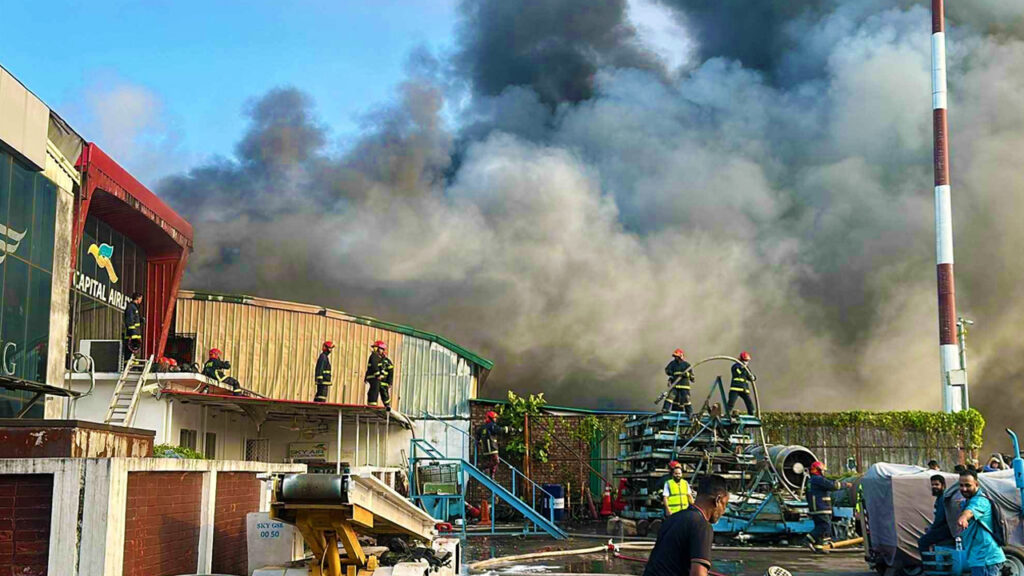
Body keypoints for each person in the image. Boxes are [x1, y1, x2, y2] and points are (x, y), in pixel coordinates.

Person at [643, 475, 730, 576]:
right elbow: (698, 574)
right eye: (725, 504)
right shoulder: (702, 526)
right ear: (718, 500)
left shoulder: (672, 519)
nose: (723, 511)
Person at [956, 469, 1005, 576]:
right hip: (979, 557)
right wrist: (963, 504)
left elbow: (970, 511)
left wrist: (963, 518)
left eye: (968, 485)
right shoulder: (970, 499)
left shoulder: (980, 501)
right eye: (961, 485)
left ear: (976, 484)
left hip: (985, 559)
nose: (964, 489)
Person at [806, 461, 851, 546]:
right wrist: (846, 485)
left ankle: (820, 546)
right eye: (823, 470)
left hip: (816, 507)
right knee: (824, 526)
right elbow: (833, 485)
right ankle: (808, 539)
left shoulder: (811, 480)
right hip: (821, 507)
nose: (824, 472)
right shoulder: (818, 479)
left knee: (823, 528)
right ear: (819, 470)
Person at [918, 474, 954, 554]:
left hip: (946, 529)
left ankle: (928, 565)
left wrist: (932, 528)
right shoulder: (940, 497)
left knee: (922, 542)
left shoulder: (943, 498)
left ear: (943, 485)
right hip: (945, 528)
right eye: (932, 485)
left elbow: (940, 518)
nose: (934, 487)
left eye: (937, 484)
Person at [475, 411, 509, 477]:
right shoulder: (492, 425)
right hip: (492, 447)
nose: (495, 419)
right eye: (494, 418)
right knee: (496, 461)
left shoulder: (483, 427)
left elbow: (478, 435)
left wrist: (478, 441)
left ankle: (492, 476)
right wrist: (508, 429)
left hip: (485, 449)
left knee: (492, 462)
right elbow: (499, 430)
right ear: (490, 418)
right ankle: (482, 468)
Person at [663, 349, 696, 416]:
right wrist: (671, 374)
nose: (675, 358)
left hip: (684, 386)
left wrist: (687, 374)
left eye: (677, 356)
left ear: (681, 356)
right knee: (670, 397)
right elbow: (667, 370)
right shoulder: (672, 364)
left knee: (686, 400)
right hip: (675, 385)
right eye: (675, 356)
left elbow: (692, 377)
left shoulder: (687, 365)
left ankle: (689, 413)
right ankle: (665, 409)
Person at [365, 340, 393, 408]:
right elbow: (374, 366)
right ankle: (372, 405)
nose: (375, 349)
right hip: (375, 377)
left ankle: (387, 406)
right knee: (374, 391)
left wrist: (389, 382)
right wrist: (378, 375)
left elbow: (390, 372)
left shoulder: (383, 359)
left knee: (383, 393)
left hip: (382, 380)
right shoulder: (374, 356)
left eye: (376, 347)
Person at [726, 351, 756, 415]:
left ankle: (752, 414)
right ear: (741, 360)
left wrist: (753, 377)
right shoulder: (735, 366)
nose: (746, 362)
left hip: (744, 389)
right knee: (731, 403)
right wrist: (742, 368)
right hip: (735, 389)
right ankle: (727, 414)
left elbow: (749, 376)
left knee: (749, 403)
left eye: (747, 361)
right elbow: (738, 373)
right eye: (745, 361)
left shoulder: (747, 369)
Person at [123, 292, 144, 358]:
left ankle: (133, 367)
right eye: (141, 299)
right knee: (130, 352)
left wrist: (140, 320)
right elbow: (130, 321)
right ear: (137, 298)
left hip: (135, 335)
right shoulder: (131, 307)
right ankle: (128, 366)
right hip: (132, 336)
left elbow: (134, 320)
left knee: (135, 353)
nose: (141, 300)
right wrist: (133, 334)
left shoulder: (134, 307)